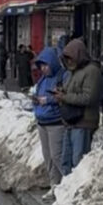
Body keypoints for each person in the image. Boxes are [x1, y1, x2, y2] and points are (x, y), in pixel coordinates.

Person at [56, 38, 103, 177]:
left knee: (78, 161)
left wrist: (65, 97)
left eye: (70, 58)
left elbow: (88, 98)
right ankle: (65, 190)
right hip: (70, 121)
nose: (68, 61)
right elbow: (70, 91)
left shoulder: (92, 71)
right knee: (66, 159)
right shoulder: (73, 71)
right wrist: (61, 93)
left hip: (83, 121)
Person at [30, 46, 67, 184]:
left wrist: (48, 100)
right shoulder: (42, 80)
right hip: (42, 122)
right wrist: (35, 101)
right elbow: (38, 94)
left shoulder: (62, 76)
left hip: (55, 122)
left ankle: (68, 184)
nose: (43, 69)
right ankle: (54, 185)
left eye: (45, 65)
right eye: (41, 66)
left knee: (57, 155)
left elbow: (63, 96)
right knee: (48, 157)